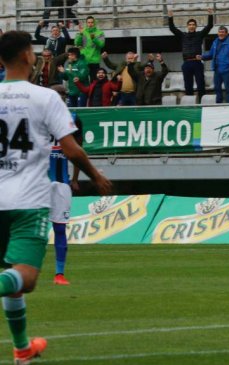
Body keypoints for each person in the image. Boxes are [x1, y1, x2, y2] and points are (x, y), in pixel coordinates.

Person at [0, 30, 111, 365]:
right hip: (27, 202)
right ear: (26, 56)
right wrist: (97, 176)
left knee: (12, 282)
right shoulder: (45, 97)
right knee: (27, 278)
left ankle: (22, 349)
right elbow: (70, 146)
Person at [48, 84, 83, 285]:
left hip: (61, 182)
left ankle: (59, 274)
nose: (61, 98)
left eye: (63, 95)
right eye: (57, 94)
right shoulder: (37, 116)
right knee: (26, 228)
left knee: (60, 228)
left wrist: (76, 178)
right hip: (38, 182)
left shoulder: (74, 118)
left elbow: (79, 150)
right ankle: (18, 270)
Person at [168, 8, 213, 101]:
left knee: (200, 84)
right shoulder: (183, 35)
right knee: (188, 85)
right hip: (186, 63)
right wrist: (170, 17)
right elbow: (172, 28)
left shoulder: (199, 34)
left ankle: (202, 103)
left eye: (193, 25)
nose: (191, 26)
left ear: (196, 26)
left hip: (197, 63)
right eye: (190, 25)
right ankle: (190, 103)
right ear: (187, 26)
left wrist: (210, 15)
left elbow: (209, 26)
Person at [202, 26, 229, 103]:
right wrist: (202, 57)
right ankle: (218, 103)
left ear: (226, 33)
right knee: (217, 88)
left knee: (228, 88)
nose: (221, 33)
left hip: (227, 69)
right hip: (217, 69)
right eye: (220, 32)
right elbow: (210, 54)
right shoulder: (215, 42)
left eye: (223, 32)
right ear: (218, 33)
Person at [74, 16, 105, 81]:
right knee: (83, 80)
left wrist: (93, 38)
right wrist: (80, 34)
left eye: (92, 22)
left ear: (94, 23)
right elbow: (77, 43)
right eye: (88, 22)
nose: (90, 24)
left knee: (94, 81)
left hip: (94, 61)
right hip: (84, 60)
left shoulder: (100, 33)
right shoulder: (83, 31)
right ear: (86, 23)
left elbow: (101, 45)